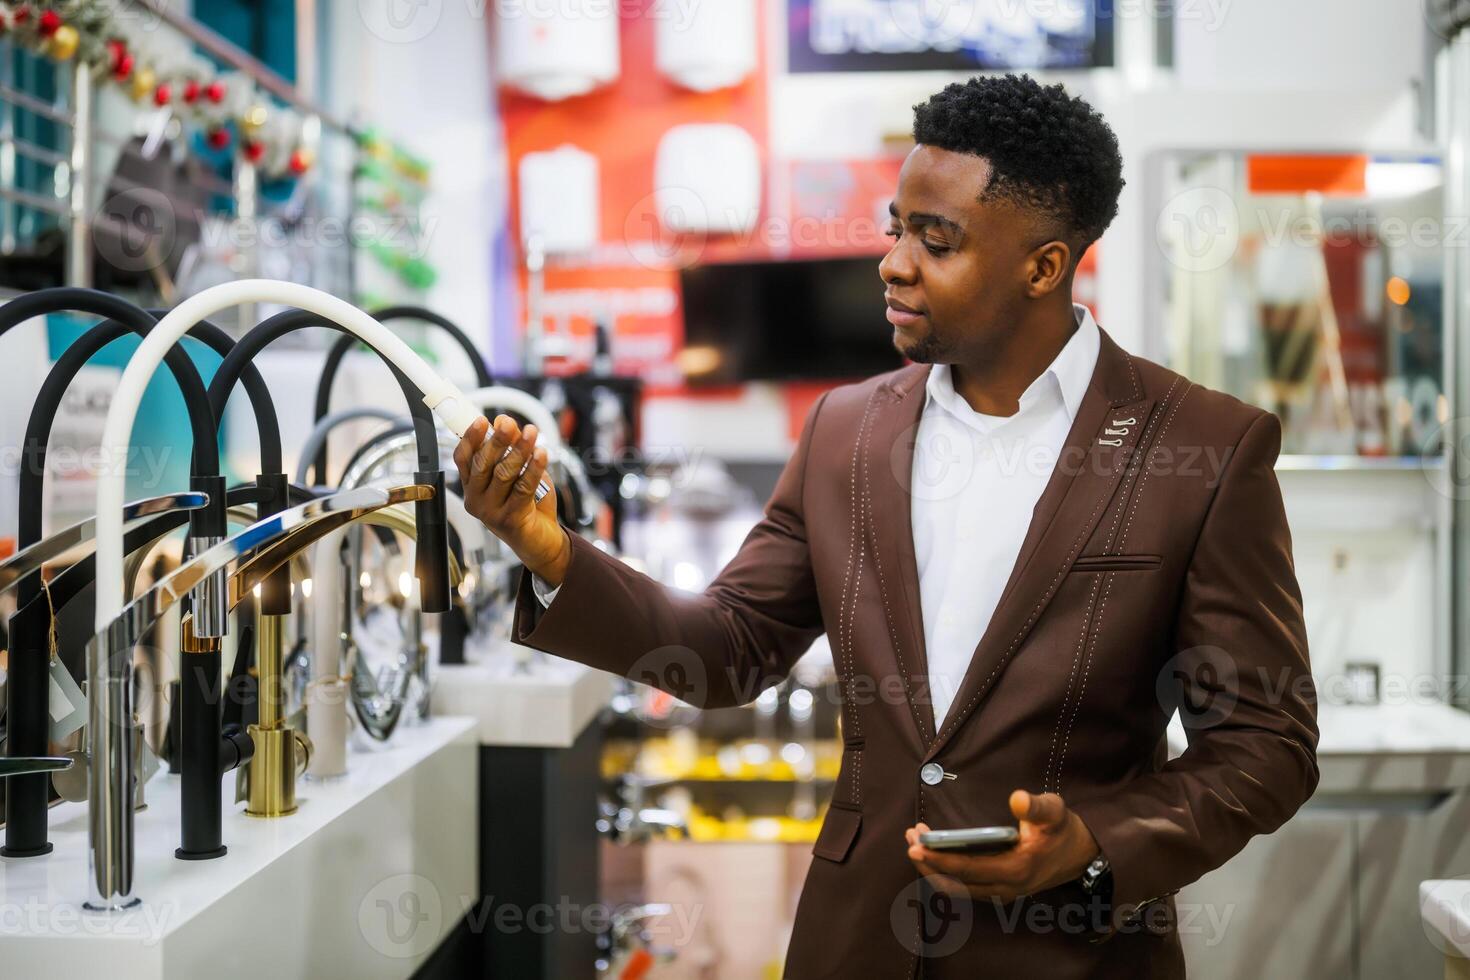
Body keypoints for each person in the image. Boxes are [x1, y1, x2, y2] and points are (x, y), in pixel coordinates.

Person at [454, 73, 1319, 978]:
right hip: (856, 942)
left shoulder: (1201, 447)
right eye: (895, 228)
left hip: (1073, 953)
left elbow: (1266, 745)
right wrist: (546, 545)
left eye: (935, 240)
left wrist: (1093, 843)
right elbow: (727, 647)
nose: (894, 263)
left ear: (1044, 266)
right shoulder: (847, 432)